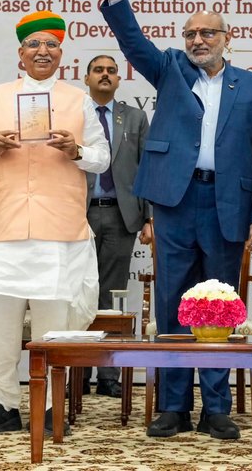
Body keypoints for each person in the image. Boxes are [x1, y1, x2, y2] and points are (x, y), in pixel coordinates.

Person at [96, 0, 252, 440]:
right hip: (176, 202)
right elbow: (133, 42)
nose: (198, 40)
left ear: (227, 38)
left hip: (227, 204)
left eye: (207, 33)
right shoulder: (171, 69)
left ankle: (216, 407)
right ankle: (173, 405)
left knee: (220, 304)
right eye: (191, 33)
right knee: (175, 302)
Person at [0, 11, 109, 436]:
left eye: (51, 45)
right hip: (3, 228)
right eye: (34, 45)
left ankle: (48, 407)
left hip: (57, 231)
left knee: (53, 327)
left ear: (61, 53)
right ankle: (4, 404)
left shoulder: (78, 99)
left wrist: (75, 149)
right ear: (20, 53)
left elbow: (103, 158)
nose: (43, 51)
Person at [82, 54, 152, 397]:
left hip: (120, 215)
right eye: (99, 70)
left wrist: (149, 217)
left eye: (111, 71)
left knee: (111, 295)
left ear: (119, 80)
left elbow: (148, 168)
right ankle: (76, 374)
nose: (105, 75)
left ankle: (108, 376)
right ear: (86, 78)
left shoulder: (135, 117)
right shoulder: (74, 114)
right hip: (77, 214)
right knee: (78, 294)